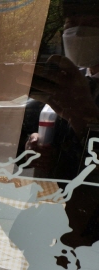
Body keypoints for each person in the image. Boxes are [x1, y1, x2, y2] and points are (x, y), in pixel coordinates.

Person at [20, 0, 99, 247]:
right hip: (73, 221)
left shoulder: (78, 91)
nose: (79, 33)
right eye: (71, 24)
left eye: (93, 24)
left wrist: (83, 117)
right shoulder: (75, 83)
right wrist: (42, 146)